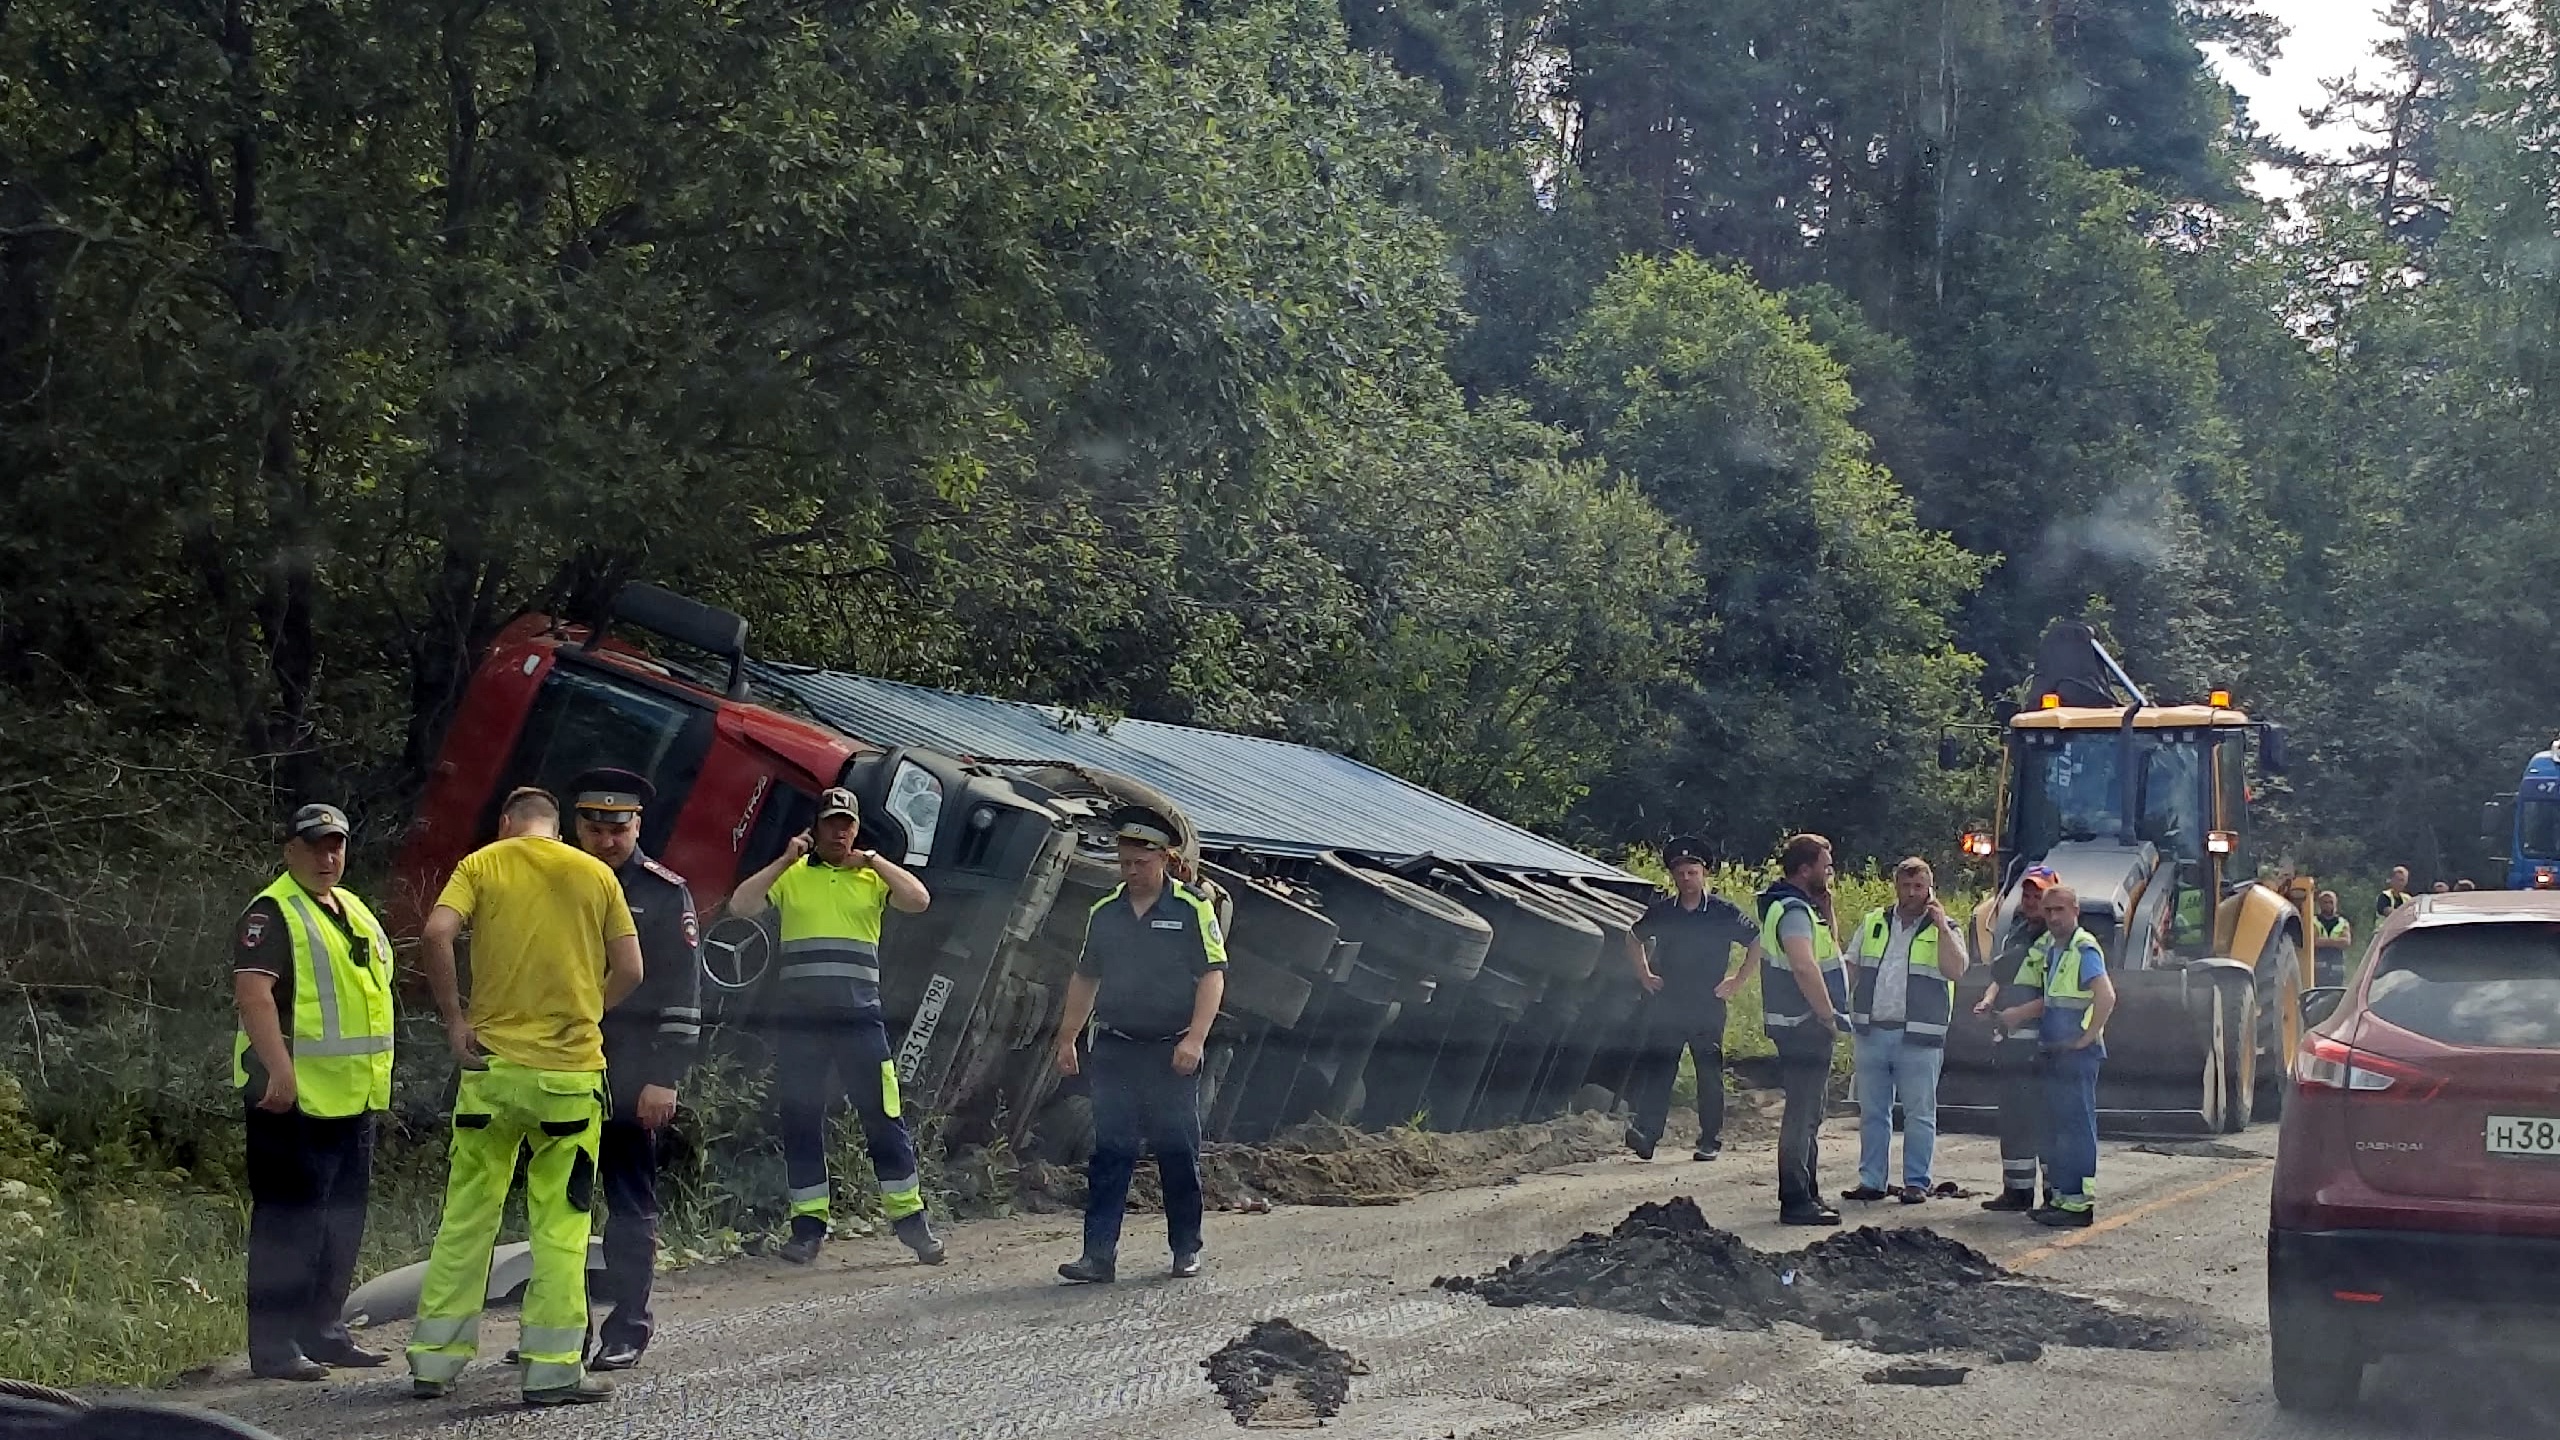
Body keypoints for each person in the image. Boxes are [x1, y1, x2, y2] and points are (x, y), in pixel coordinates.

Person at [409, 787, 644, 1406]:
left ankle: (434, 1362)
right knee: (561, 1226)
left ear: (506, 823)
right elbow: (633, 969)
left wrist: (456, 1020)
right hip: (568, 1079)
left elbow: (436, 934)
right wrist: (587, 1009)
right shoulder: (596, 874)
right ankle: (551, 1369)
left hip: (491, 1073)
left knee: (467, 1214)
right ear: (558, 830)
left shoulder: (482, 864)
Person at [728, 787, 941, 1267]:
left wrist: (874, 861)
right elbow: (742, 905)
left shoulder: (871, 877)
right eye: (831, 823)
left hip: (859, 1018)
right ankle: (807, 1230)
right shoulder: (793, 875)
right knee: (802, 1121)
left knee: (883, 1118)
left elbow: (918, 900)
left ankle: (912, 1224)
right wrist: (784, 860)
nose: (840, 831)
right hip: (801, 1023)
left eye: (847, 824)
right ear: (817, 827)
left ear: (857, 829)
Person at [230, 803, 396, 1382]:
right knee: (288, 1223)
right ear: (290, 850)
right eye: (316, 846)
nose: (329, 857)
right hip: (290, 1096)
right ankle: (273, 1347)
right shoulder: (271, 912)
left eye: (337, 845)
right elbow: (253, 994)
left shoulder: (350, 908)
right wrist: (278, 1068)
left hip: (351, 1096)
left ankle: (323, 1332)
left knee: (341, 1220)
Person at [1052, 804, 1229, 1283]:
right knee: (1110, 1152)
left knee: (1177, 1151)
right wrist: (1068, 1036)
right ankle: (1097, 1256)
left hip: (1170, 1051)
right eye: (1125, 863)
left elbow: (1212, 977)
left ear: (1165, 859)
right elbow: (1086, 975)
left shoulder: (1193, 909)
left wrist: (1195, 1039)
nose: (1131, 872)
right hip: (1116, 1047)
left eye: (1141, 863)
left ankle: (1185, 1249)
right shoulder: (1104, 912)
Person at [565, 769, 703, 1372]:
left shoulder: (664, 892)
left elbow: (683, 990)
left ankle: (628, 1327)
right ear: (578, 827)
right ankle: (561, 1325)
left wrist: (666, 1075)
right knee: (560, 1205)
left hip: (633, 1071)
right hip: (564, 1065)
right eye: (594, 828)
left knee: (628, 1204)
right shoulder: (557, 882)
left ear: (637, 826)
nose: (606, 840)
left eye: (617, 829)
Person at [1841, 858, 1969, 1205]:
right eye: (1906, 886)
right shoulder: (1875, 922)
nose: (1912, 894)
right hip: (1871, 1031)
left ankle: (1916, 1181)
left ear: (1931, 889)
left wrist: (1941, 926)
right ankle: (1872, 1181)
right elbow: (1850, 968)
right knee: (1873, 1112)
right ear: (1895, 886)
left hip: (1919, 1037)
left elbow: (1956, 970)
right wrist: (1836, 1007)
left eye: (1919, 887)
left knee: (1919, 1113)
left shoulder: (1946, 927)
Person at [1622, 838, 1756, 1163]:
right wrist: (1644, 974)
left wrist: (1737, 981)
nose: (1686, 878)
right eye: (1680, 873)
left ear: (1704, 873)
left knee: (1708, 1073)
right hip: (1669, 1001)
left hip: (1707, 1002)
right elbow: (1633, 936)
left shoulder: (1723, 912)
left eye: (1692, 872)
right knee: (1660, 1069)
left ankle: (1710, 1140)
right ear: (1673, 876)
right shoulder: (1664, 911)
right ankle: (1647, 1135)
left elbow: (1757, 941)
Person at [1996, 883, 2117, 1229]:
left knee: (2076, 1130)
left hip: (2076, 1055)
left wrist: (2087, 1037)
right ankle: (2063, 1199)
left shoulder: (2082, 947)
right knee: (2059, 1130)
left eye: (2059, 910)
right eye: (2048, 911)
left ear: (2075, 911)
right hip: (2055, 1053)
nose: (2052, 917)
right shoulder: (2056, 950)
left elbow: (2106, 996)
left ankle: (2078, 1205)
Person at [1756, 834, 1852, 1227]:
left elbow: (1827, 951)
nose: (1829, 872)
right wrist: (1827, 1015)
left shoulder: (1800, 908)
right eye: (1825, 865)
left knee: (1809, 1112)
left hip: (1798, 1024)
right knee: (1802, 1114)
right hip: (1804, 1025)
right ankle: (1796, 1199)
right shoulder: (1793, 911)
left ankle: (1807, 1191)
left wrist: (1827, 910)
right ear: (1805, 868)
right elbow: (1803, 966)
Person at [1974, 865, 2058, 1211]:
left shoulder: (2058, 939)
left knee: (2046, 1122)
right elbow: (2005, 974)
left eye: (2039, 894)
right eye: (2028, 894)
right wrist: (1989, 1000)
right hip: (2011, 1043)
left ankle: (2054, 1195)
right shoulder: (2015, 933)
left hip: (2042, 1046)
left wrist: (2017, 1015)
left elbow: (2056, 993)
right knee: (2013, 1121)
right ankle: (2017, 1191)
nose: (2032, 900)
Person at [2311, 890, 2353, 987]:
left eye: (2331, 902)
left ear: (2336, 904)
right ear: (2320, 904)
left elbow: (2346, 942)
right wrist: (2336, 942)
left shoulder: (2343, 922)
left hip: (2337, 967)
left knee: (2337, 995)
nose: (2328, 905)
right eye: (2325, 902)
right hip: (2318, 967)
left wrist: (2324, 941)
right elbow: (2314, 942)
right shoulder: (2313, 921)